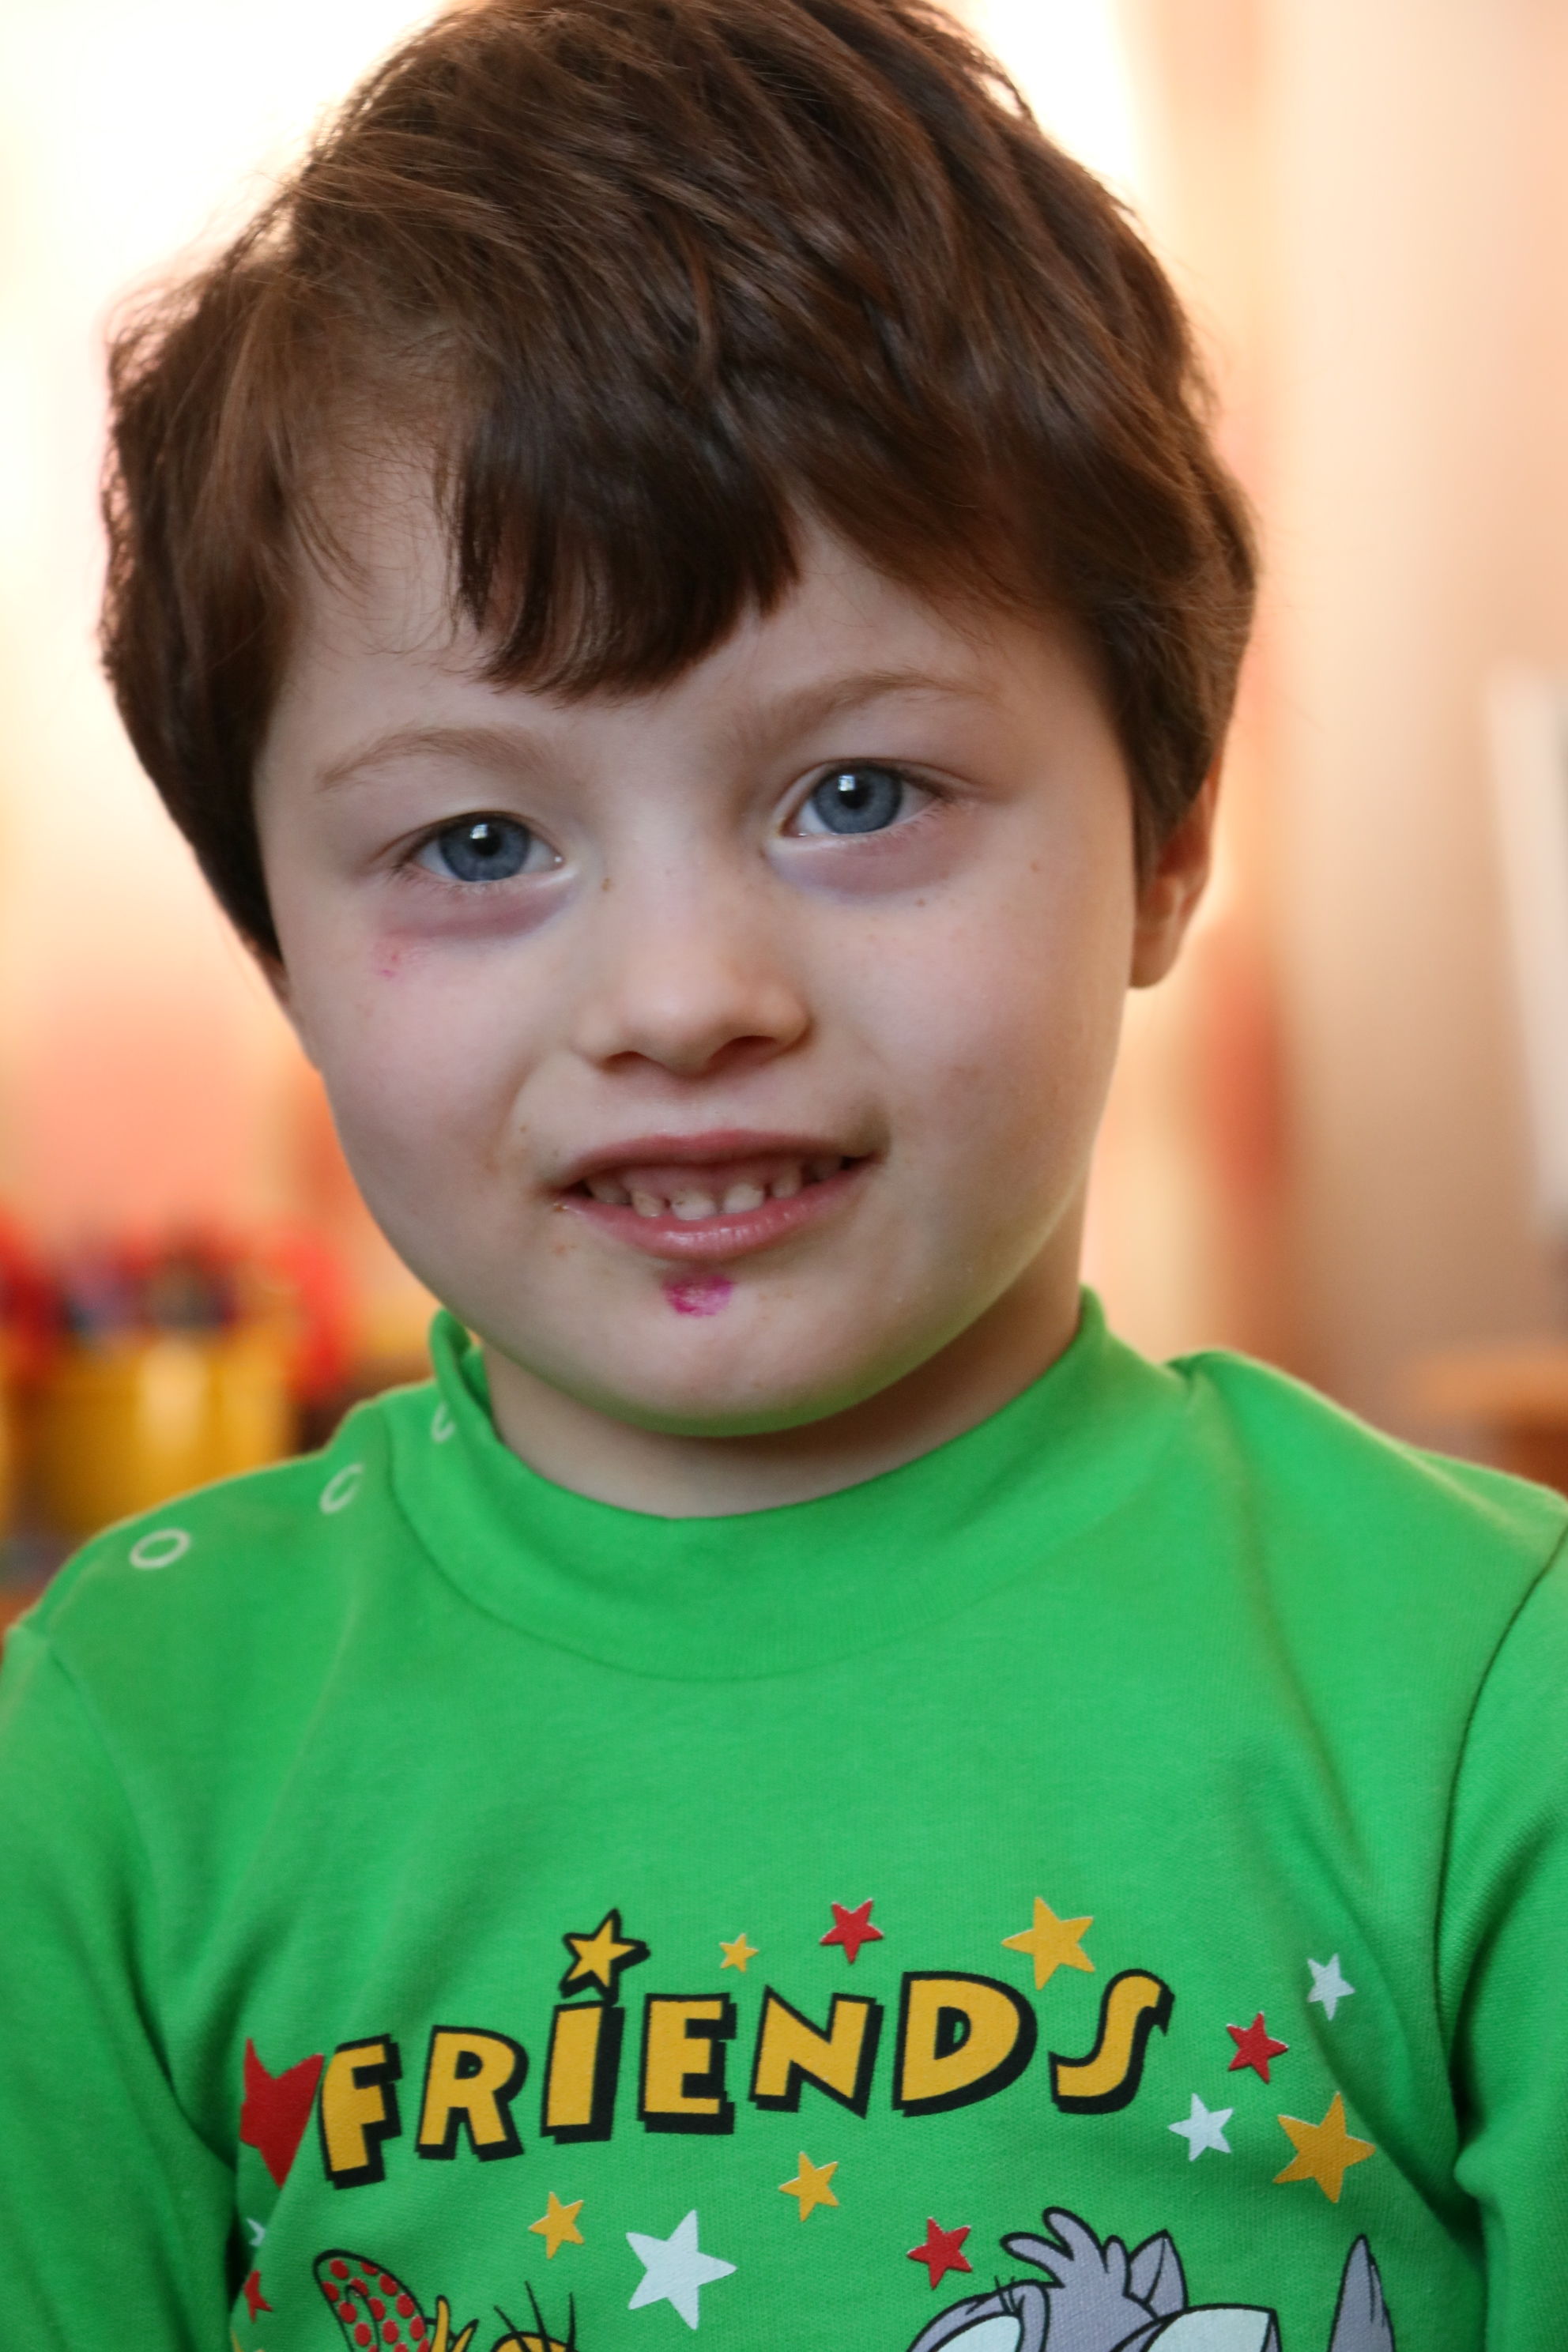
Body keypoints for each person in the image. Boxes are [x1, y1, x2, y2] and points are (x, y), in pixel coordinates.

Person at [0, 2, 1562, 2345]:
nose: (683, 996)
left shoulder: (1489, 1687)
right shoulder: (123, 1746)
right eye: (479, 840)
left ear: (1169, 838)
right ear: (280, 949)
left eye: (856, 795)